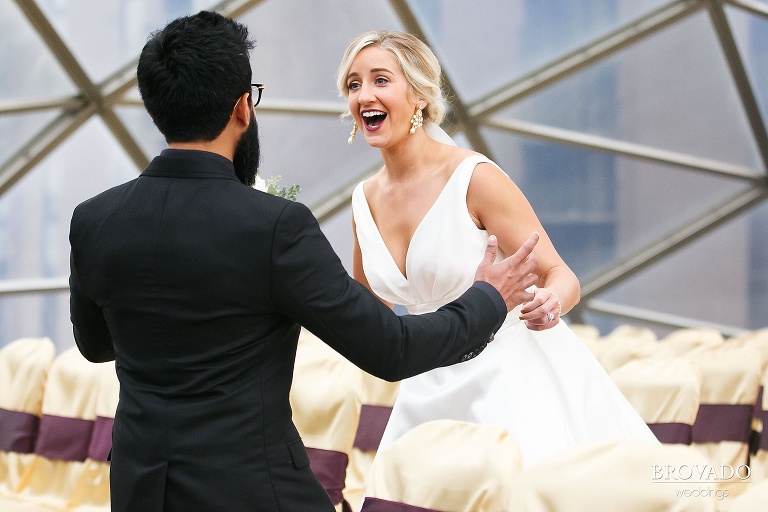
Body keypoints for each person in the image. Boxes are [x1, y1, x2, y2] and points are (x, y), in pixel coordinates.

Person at [68, 11, 542, 512]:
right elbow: (390, 349)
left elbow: (95, 345)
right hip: (255, 492)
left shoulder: (94, 220)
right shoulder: (273, 226)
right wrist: (489, 297)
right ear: (241, 109)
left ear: (155, 108)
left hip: (141, 490)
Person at [337, 30, 658, 472]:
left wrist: (551, 302)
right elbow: (365, 308)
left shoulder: (474, 177)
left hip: (508, 376)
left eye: (380, 80)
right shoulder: (363, 201)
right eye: (354, 84)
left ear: (419, 95)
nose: (364, 95)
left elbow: (560, 275)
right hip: (423, 384)